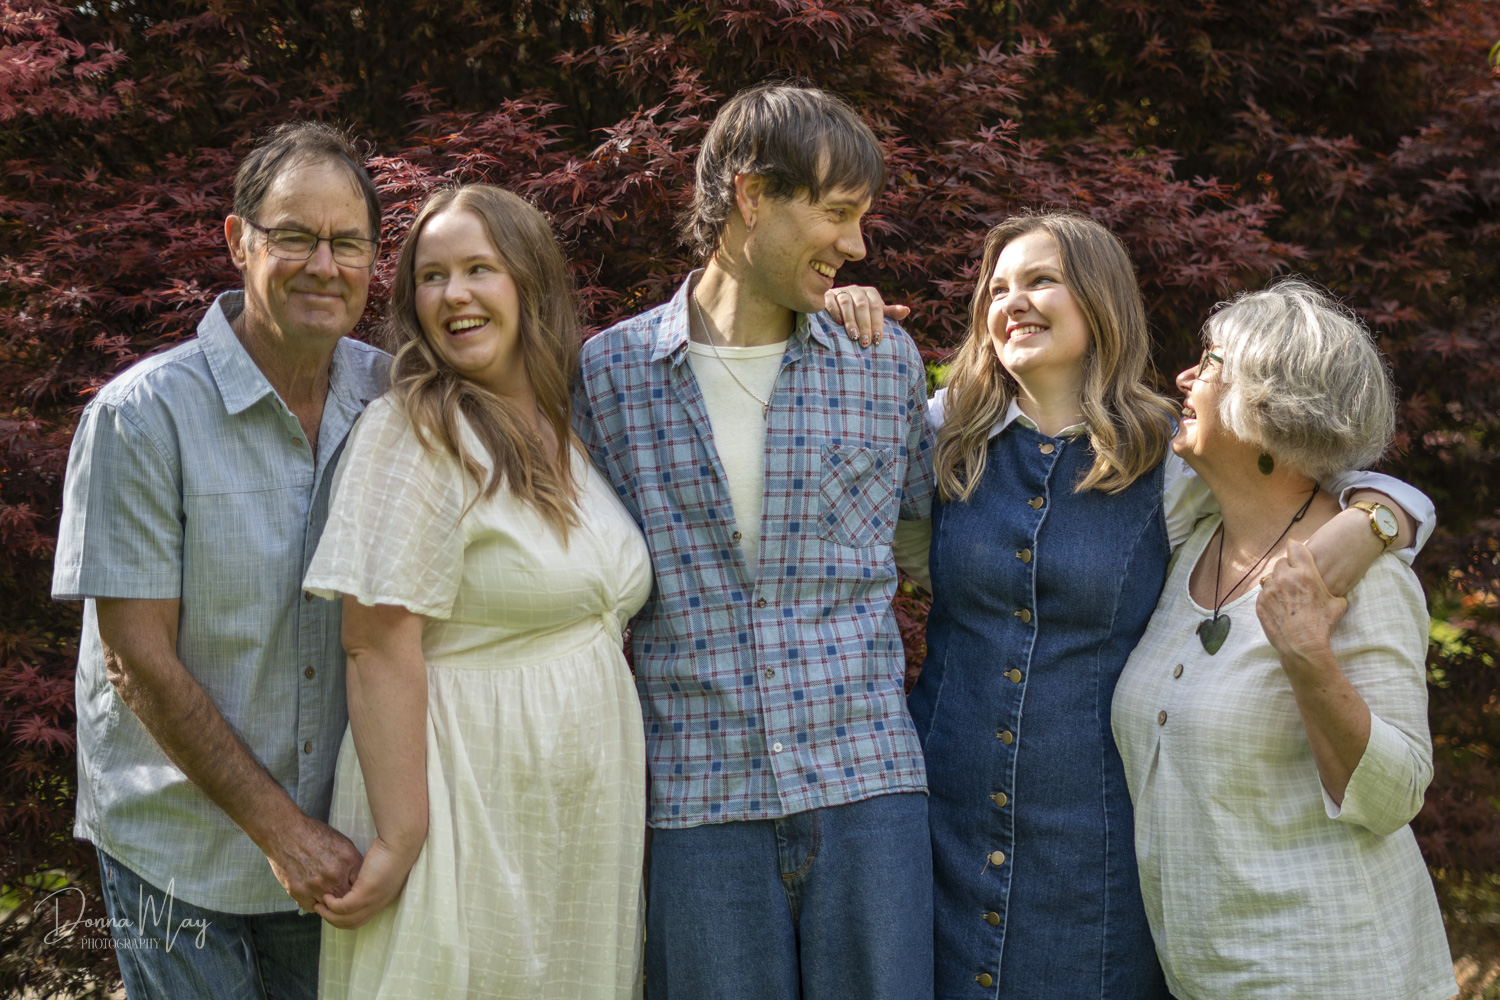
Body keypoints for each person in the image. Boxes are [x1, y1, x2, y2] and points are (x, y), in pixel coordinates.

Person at [898, 213, 1435, 1000]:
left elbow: (1297, 484)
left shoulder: (1169, 465)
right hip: (946, 821)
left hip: (1100, 853)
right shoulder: (944, 437)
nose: (1013, 300)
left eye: (1042, 278)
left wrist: (1380, 520)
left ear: (1101, 299)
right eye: (998, 286)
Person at [573, 82, 936, 999]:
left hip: (865, 787)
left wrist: (1364, 498)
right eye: (838, 213)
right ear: (751, 196)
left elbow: (939, 536)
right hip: (698, 803)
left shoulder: (879, 359)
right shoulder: (610, 376)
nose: (857, 245)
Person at [50, 122, 388, 998]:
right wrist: (282, 832)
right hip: (176, 846)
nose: (325, 264)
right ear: (238, 241)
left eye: (348, 242)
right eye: (295, 237)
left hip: (337, 845)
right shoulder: (142, 416)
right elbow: (136, 660)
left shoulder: (394, 400)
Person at [304, 183, 652, 999]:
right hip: (464, 796)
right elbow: (375, 641)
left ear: (530, 282)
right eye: (430, 276)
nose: (452, 294)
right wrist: (399, 836)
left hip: (572, 807)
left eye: (478, 269)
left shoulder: (571, 428)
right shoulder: (415, 429)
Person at [1111, 280, 1456, 1000]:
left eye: (1209, 363)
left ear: (1268, 403)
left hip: (1341, 973)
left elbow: (1395, 798)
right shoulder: (1187, 547)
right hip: (1204, 980)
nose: (1183, 377)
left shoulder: (1365, 579)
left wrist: (1308, 657)